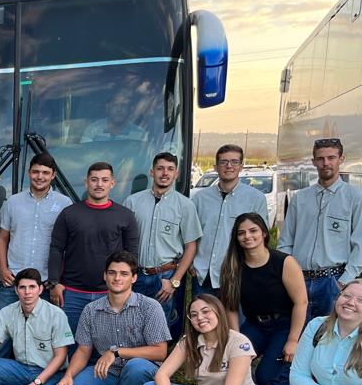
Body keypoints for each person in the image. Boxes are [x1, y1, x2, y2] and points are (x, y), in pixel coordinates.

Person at [52, 250, 169, 385]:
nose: (117, 278)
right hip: (108, 374)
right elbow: (83, 350)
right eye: (112, 272)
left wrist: (116, 352)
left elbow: (160, 351)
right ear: (104, 276)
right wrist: (69, 375)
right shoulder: (91, 310)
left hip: (143, 375)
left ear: (134, 278)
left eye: (124, 273)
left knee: (136, 367)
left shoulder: (149, 307)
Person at [277, 138, 362, 322]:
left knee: (329, 338)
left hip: (333, 282)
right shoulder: (300, 198)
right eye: (320, 159)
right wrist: (289, 276)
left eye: (331, 157)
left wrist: (342, 282)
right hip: (299, 280)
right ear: (313, 162)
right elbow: (285, 242)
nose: (325, 163)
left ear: (341, 159)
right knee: (298, 337)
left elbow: (360, 246)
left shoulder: (356, 198)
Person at [218, 212, 309, 385]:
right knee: (230, 364)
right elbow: (231, 307)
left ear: (264, 233)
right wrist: (235, 339)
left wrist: (293, 340)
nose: (247, 236)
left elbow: (301, 302)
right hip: (255, 325)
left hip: (284, 326)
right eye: (241, 233)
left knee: (266, 375)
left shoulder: (284, 262)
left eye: (253, 231)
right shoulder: (232, 266)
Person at [47, 162, 140, 332]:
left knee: (107, 344)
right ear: (86, 182)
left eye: (104, 180)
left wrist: (126, 286)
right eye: (94, 180)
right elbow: (56, 249)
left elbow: (132, 254)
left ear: (112, 183)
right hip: (72, 293)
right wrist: (54, 283)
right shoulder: (69, 214)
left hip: (110, 293)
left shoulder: (125, 216)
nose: (99, 184)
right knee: (71, 345)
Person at [124, 152, 201, 336]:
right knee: (131, 325)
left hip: (165, 277)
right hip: (136, 275)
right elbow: (123, 241)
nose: (164, 173)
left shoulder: (185, 206)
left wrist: (174, 281)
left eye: (170, 169)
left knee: (159, 329)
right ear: (152, 172)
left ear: (176, 174)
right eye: (160, 168)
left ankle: (157, 364)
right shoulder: (133, 202)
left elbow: (191, 246)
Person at [191, 144, 269, 297]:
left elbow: (262, 238)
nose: (229, 166)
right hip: (203, 276)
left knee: (233, 321)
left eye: (234, 162)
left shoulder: (255, 198)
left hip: (237, 275)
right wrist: (191, 265)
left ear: (241, 166)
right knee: (202, 320)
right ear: (215, 166)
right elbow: (190, 235)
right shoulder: (200, 198)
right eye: (223, 162)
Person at [0, 152, 72, 310]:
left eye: (45, 173)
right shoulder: (13, 202)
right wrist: (3, 269)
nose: (40, 176)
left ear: (53, 175)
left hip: (47, 283)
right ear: (29, 172)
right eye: (36, 172)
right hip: (13, 281)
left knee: (45, 333)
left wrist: (58, 280)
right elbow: (3, 238)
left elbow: (69, 245)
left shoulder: (64, 203)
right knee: (2, 333)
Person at [80, 91, 145, 141]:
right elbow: (84, 154)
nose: (119, 109)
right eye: (115, 105)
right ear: (108, 107)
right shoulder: (93, 129)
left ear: (129, 109)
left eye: (124, 105)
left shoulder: (138, 133)